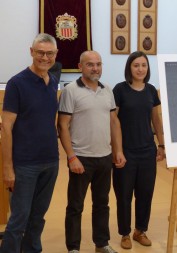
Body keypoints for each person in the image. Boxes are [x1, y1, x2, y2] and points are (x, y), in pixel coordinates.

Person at [57, 50, 126, 253]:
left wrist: (118, 150)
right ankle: (73, 248)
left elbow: (114, 121)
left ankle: (101, 243)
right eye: (90, 64)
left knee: (102, 204)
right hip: (81, 158)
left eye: (98, 64)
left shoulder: (108, 90)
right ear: (80, 67)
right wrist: (71, 157)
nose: (95, 68)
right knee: (76, 206)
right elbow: (62, 126)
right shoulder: (70, 90)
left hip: (104, 157)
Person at [0, 33, 59, 253]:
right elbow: (6, 128)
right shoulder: (17, 83)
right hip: (25, 165)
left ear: (55, 55)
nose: (45, 57)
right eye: (40, 52)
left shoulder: (52, 82)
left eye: (49, 53)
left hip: (50, 162)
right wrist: (8, 168)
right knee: (18, 221)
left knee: (37, 218)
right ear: (31, 52)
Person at [112, 51, 165, 250]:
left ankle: (140, 231)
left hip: (147, 152)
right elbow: (113, 120)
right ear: (129, 68)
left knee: (145, 193)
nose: (140, 69)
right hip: (125, 151)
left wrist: (161, 145)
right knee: (124, 194)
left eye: (144, 65)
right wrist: (116, 149)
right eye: (136, 65)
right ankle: (124, 233)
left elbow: (156, 120)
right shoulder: (120, 90)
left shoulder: (151, 91)